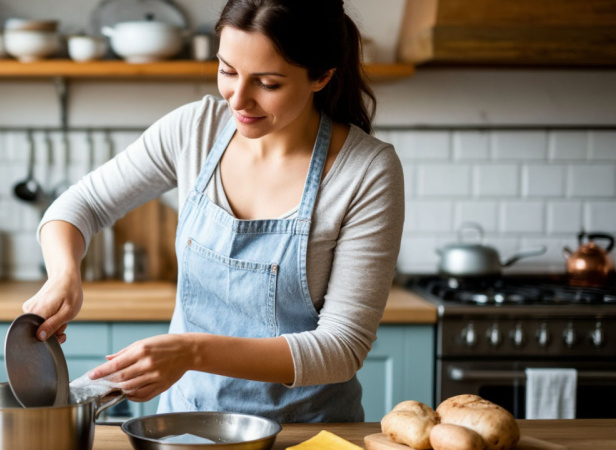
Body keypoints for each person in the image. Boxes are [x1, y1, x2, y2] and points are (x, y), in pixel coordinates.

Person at [23, 0, 404, 422]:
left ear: (322, 76)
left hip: (305, 434)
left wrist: (192, 352)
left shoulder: (366, 170)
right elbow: (81, 204)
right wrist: (64, 275)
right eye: (227, 71)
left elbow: (342, 348)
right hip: (186, 424)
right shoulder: (195, 130)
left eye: (268, 83)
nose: (238, 99)